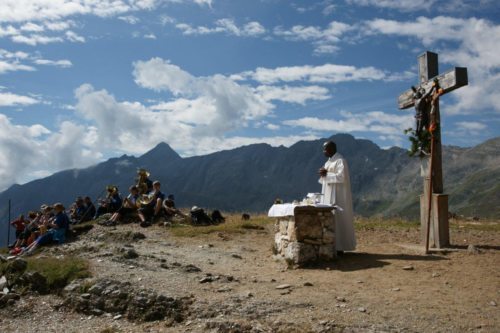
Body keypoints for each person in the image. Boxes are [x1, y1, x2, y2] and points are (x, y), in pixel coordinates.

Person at [318, 141, 356, 253]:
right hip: (328, 194)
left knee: (339, 219)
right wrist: (322, 174)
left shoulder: (340, 161)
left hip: (339, 196)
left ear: (332, 149)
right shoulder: (328, 162)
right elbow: (324, 179)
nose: (323, 151)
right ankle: (331, 245)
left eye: (325, 149)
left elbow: (341, 177)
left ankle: (340, 246)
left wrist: (326, 174)